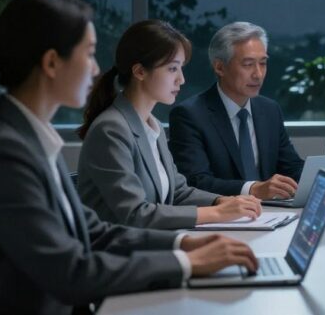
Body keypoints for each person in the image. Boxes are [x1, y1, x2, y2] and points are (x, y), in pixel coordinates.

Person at [0, 0, 257, 315]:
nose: (96, 67)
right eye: (88, 53)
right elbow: (70, 273)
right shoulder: (3, 153)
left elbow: (92, 231)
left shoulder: (28, 139)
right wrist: (185, 263)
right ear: (51, 62)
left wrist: (182, 244)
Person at [77, 20, 263, 229]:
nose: (181, 80)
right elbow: (136, 215)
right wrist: (218, 213)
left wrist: (221, 201)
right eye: (172, 69)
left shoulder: (152, 124)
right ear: (139, 71)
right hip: (116, 254)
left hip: (148, 245)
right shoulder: (111, 130)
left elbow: (178, 191)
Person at [169, 22, 305, 200]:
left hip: (273, 214)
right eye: (248, 64)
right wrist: (253, 189)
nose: (258, 74)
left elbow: (291, 167)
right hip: (223, 217)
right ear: (220, 67)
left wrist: (323, 176)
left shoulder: (270, 110)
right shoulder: (189, 115)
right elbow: (196, 181)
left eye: (263, 64)